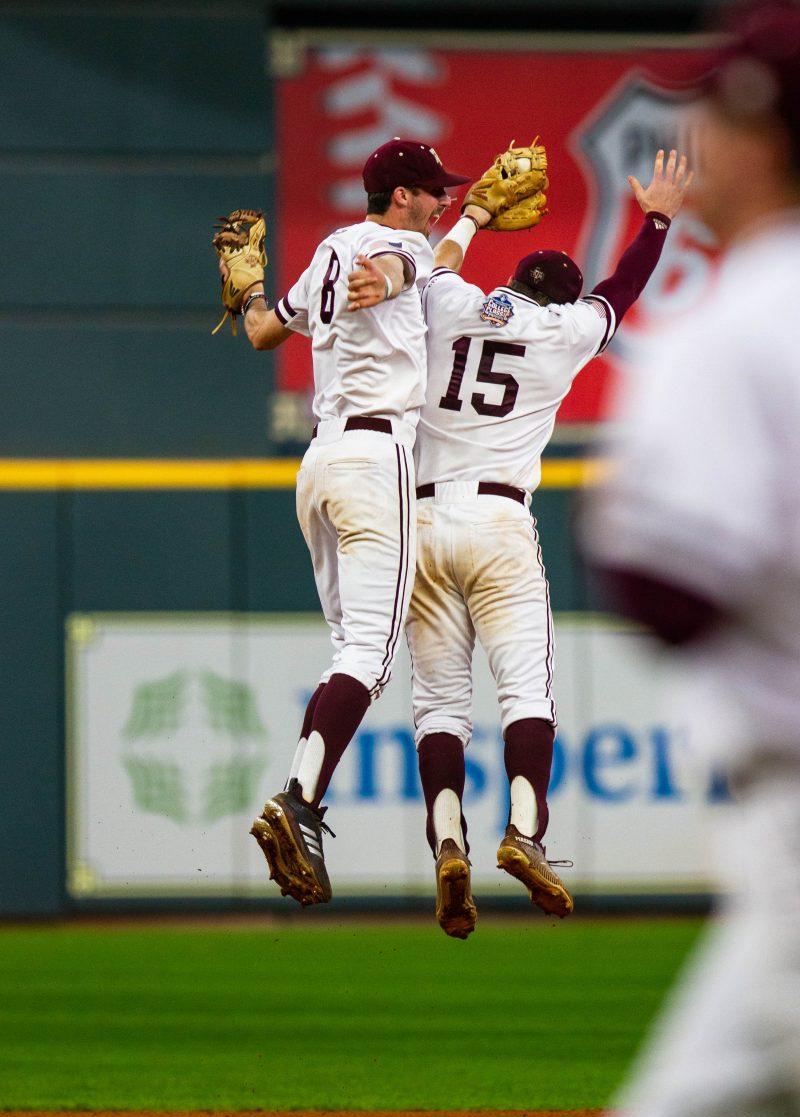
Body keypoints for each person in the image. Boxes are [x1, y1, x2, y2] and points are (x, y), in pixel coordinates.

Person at [583, 2, 800, 1117]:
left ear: (759, 135)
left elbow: (664, 587)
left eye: (711, 114)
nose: (694, 140)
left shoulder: (732, 325)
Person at [407, 148, 692, 938]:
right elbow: (621, 292)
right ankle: (524, 832)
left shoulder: (455, 302)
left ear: (511, 285)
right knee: (525, 693)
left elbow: (434, 268)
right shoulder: (568, 331)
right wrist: (657, 219)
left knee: (439, 706)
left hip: (422, 521)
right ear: (560, 299)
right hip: (498, 522)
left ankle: (448, 841)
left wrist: (473, 214)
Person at [217, 139, 473, 906]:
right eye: (433, 193)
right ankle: (298, 803)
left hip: (319, 466)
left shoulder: (332, 245)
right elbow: (402, 269)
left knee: (350, 650)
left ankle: (298, 795)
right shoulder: (402, 247)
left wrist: (250, 288)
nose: (441, 204)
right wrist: (389, 276)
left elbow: (265, 332)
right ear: (401, 197)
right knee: (372, 648)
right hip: (374, 460)